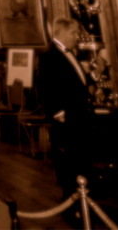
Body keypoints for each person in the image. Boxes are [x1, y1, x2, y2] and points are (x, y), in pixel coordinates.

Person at [39, 18, 93, 198]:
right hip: (67, 118)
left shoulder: (70, 53)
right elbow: (47, 86)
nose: (78, 37)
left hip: (80, 114)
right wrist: (58, 113)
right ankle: (71, 198)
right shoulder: (49, 56)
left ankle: (82, 194)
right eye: (74, 33)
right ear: (61, 34)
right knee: (68, 160)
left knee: (81, 157)